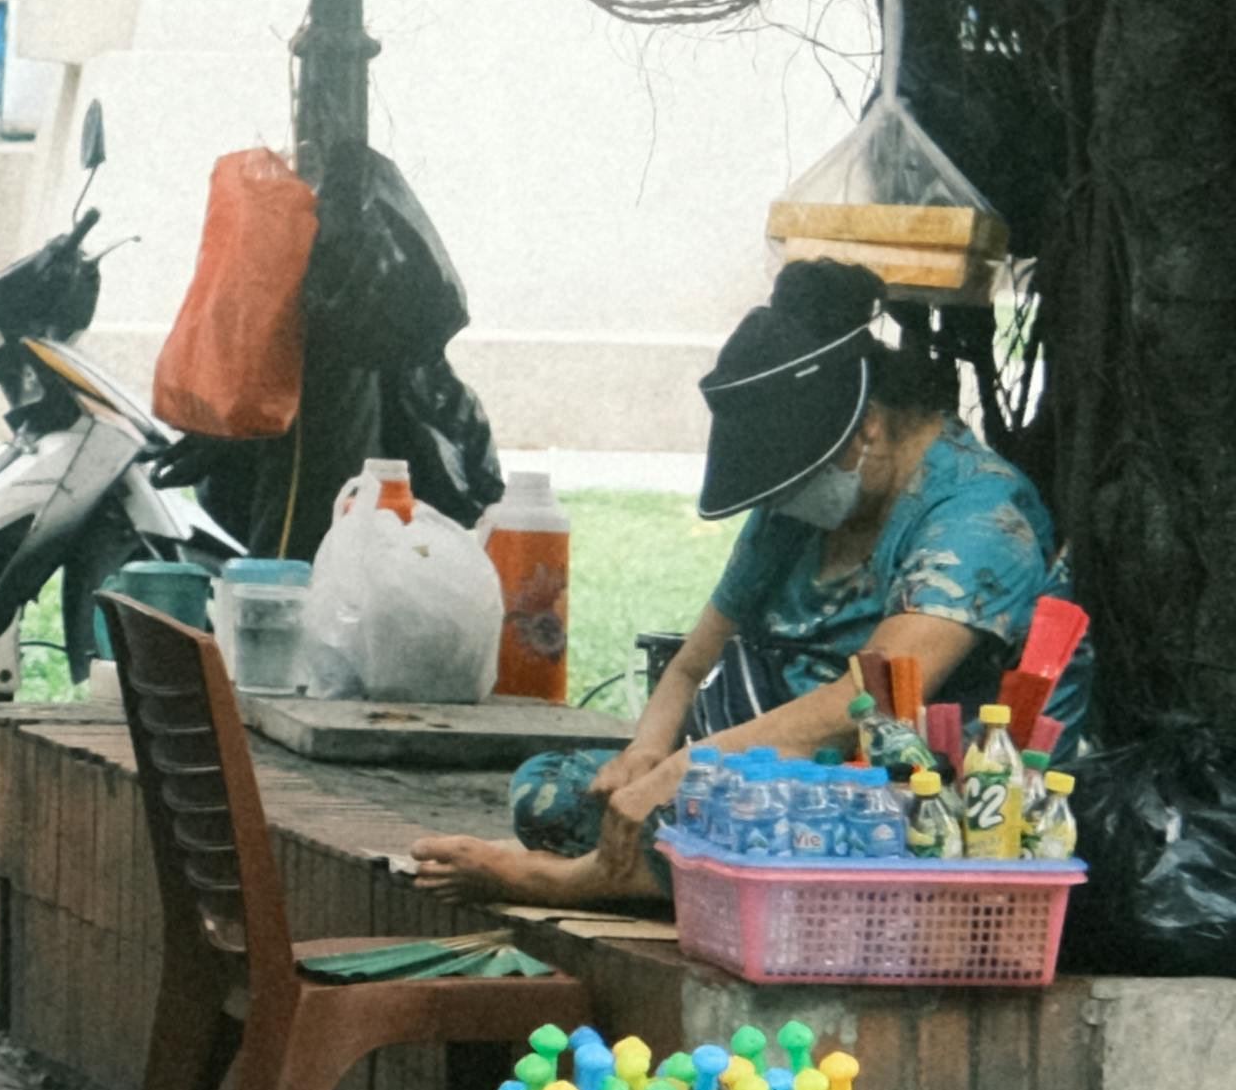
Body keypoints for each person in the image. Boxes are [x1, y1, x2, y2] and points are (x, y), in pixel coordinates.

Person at [407, 261, 1066, 909]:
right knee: (551, 791)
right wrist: (644, 756)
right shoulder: (795, 510)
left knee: (774, 824)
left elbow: (857, 705)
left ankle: (561, 882)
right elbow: (691, 667)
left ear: (866, 428)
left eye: (797, 485)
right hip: (760, 773)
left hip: (911, 792)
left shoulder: (979, 519)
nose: (784, 505)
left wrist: (679, 774)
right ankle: (642, 867)